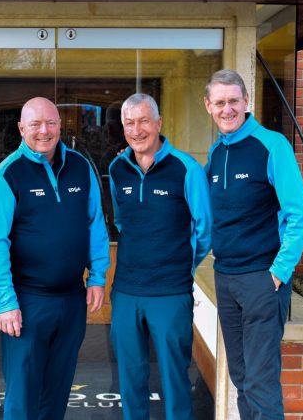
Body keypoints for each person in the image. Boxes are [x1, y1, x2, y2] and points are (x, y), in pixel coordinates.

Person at [0, 96, 111, 420]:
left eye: (50, 123)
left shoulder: (80, 166)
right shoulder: (5, 176)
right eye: (35, 124)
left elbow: (95, 223)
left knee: (57, 392)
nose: (44, 131)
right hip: (27, 302)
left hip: (71, 299)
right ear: (21, 128)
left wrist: (97, 277)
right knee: (22, 396)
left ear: (60, 126)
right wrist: (4, 301)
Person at [203, 69, 303, 420]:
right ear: (208, 106)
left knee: (261, 383)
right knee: (241, 378)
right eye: (220, 102)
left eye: (234, 101)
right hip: (226, 277)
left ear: (246, 101)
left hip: (262, 279)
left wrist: (279, 272)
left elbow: (300, 215)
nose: (227, 109)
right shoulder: (216, 152)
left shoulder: (272, 146)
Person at [108, 93, 211, 420]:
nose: (137, 130)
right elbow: (123, 221)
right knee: (130, 380)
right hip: (126, 291)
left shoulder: (186, 168)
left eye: (144, 121)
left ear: (158, 123)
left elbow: (204, 228)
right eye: (129, 123)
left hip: (170, 292)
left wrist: (180, 264)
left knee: (174, 380)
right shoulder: (117, 168)